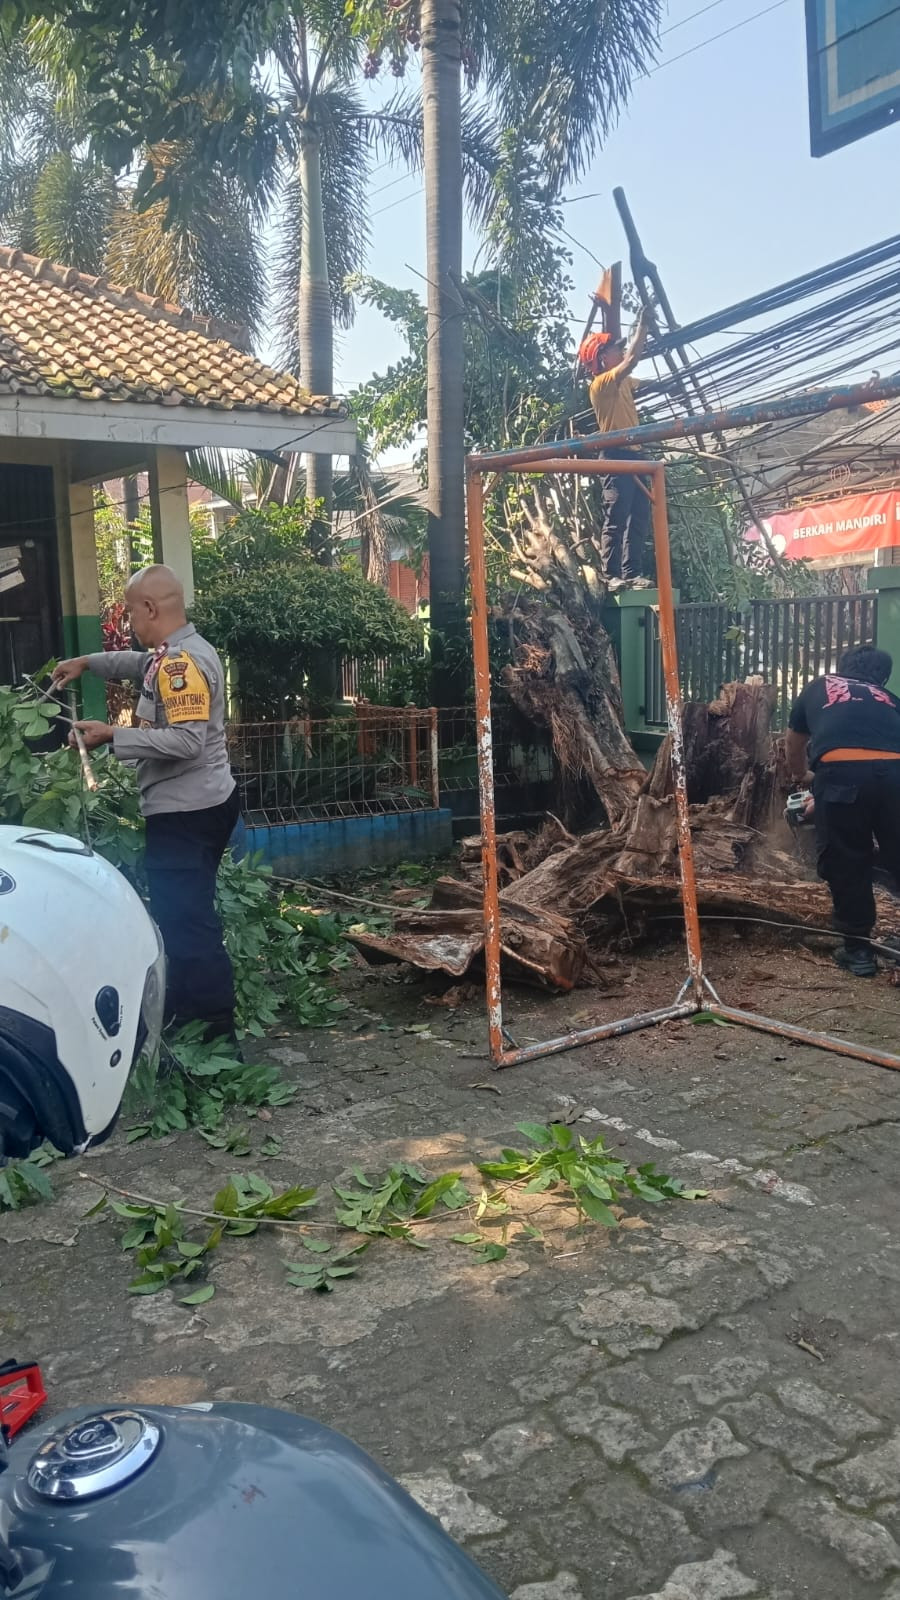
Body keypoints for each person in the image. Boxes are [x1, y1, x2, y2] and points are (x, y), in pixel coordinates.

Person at [52, 564, 241, 1041]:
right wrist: (88, 662)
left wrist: (113, 735)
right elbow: (139, 666)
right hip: (201, 804)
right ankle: (187, 1011)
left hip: (186, 815)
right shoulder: (175, 654)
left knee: (187, 923)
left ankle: (216, 1033)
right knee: (184, 916)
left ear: (150, 609)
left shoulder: (180, 665)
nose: (129, 620)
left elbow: (186, 742)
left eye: (131, 610)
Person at [786, 644, 900, 977]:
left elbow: (794, 742)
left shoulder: (819, 687)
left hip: (840, 775)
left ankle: (858, 951)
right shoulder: (890, 699)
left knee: (847, 860)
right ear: (883, 676)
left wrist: (802, 776)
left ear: (840, 667)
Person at [581, 306, 653, 591]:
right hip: (615, 456)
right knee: (617, 517)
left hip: (634, 455)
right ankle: (610, 575)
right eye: (615, 349)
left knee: (639, 516)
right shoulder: (602, 384)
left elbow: (639, 381)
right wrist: (643, 327)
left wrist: (666, 386)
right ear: (602, 358)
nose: (620, 352)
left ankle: (631, 573)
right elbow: (632, 362)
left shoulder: (620, 382)